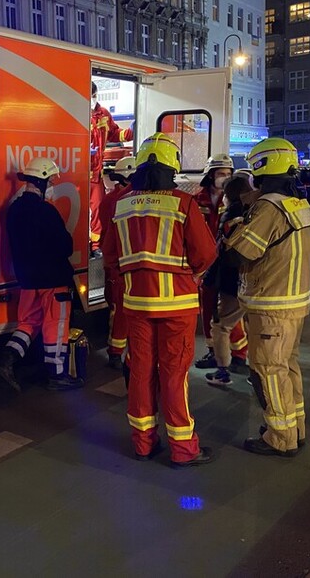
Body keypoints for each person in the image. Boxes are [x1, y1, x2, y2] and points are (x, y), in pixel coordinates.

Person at [103, 133, 217, 467]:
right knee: (173, 374)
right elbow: (206, 254)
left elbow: (110, 256)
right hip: (177, 305)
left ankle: (142, 443)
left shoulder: (122, 204)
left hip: (136, 303)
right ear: (172, 168)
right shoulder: (183, 203)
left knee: (140, 372)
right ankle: (183, 449)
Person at [222, 138, 310, 457]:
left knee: (267, 371)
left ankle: (279, 437)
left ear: (263, 166)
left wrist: (234, 227)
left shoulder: (268, 206)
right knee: (287, 367)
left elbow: (239, 253)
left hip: (270, 305)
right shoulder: (295, 203)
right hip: (294, 302)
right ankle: (295, 428)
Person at [0, 157, 83, 392]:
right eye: (51, 180)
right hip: (53, 280)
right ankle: (58, 375)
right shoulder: (46, 211)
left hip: (27, 280)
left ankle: (6, 359)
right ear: (41, 181)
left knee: (28, 324)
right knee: (57, 326)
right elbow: (65, 246)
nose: (52, 184)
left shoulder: (14, 209)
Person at [193, 153, 248, 373]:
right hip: (206, 262)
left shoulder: (236, 200)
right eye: (220, 174)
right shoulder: (198, 200)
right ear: (210, 175)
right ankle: (214, 351)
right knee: (207, 308)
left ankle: (238, 353)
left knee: (229, 309)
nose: (224, 178)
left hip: (228, 264)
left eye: (228, 174)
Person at [203, 173, 254, 388]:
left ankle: (223, 372)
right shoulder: (257, 213)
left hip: (232, 282)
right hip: (256, 282)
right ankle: (256, 372)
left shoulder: (230, 217)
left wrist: (208, 278)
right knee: (256, 329)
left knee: (221, 326)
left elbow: (220, 253)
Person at [100, 156, 136, 373]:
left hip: (114, 261)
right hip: (123, 261)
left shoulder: (110, 199)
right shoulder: (125, 198)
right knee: (121, 309)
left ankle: (115, 350)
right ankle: (116, 351)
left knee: (117, 307)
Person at [90, 82, 120, 256]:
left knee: (98, 211)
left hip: (95, 174)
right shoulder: (77, 112)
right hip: (77, 174)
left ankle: (96, 246)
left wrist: (131, 132)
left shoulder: (103, 114)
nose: (93, 98)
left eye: (94, 94)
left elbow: (115, 133)